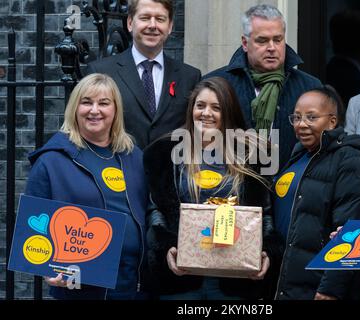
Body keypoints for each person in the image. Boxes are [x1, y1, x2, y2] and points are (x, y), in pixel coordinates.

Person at [143, 77, 283, 300]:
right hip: (182, 279)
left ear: (228, 112)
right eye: (200, 105)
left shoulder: (252, 155)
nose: (206, 113)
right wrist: (166, 249)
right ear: (191, 109)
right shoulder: (165, 152)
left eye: (216, 108)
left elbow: (264, 214)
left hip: (236, 280)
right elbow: (156, 209)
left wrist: (266, 252)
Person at [25, 73, 148, 300]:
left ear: (115, 111)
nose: (94, 110)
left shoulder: (133, 156)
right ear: (75, 108)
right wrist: (45, 267)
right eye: (86, 102)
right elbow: (34, 227)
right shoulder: (52, 160)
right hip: (81, 288)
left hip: (134, 285)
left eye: (103, 103)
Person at [273, 85, 360, 300]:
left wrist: (332, 287)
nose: (302, 125)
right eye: (297, 117)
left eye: (311, 117)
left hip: (318, 284)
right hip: (288, 277)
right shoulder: (299, 154)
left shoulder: (349, 158)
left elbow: (352, 228)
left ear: (332, 121)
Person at [204, 4, 321, 171]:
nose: (272, 48)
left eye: (278, 39)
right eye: (262, 40)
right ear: (245, 43)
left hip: (292, 190)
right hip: (232, 189)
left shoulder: (311, 88)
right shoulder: (216, 84)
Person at [86, 0, 201, 150]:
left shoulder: (190, 77)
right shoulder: (101, 71)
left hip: (170, 171)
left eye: (160, 19)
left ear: (170, 26)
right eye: (145, 18)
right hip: (116, 169)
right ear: (129, 23)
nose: (152, 25)